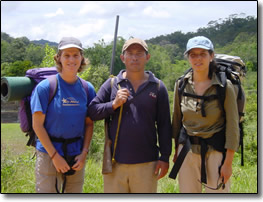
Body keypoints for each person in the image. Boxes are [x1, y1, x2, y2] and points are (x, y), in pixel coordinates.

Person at [88, 38, 172, 193]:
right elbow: (92, 111)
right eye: (130, 53)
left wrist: (165, 157)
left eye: (139, 53)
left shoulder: (158, 87)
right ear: (123, 58)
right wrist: (113, 104)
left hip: (147, 164)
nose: (134, 57)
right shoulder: (112, 84)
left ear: (147, 57)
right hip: (115, 163)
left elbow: (164, 125)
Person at [172, 36, 239, 193]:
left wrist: (228, 163)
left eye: (203, 53)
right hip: (187, 151)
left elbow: (232, 126)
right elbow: (176, 120)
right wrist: (176, 150)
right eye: (193, 54)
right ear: (188, 58)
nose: (198, 58)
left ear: (211, 56)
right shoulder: (181, 84)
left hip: (215, 151)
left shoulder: (223, 86)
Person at [31, 37, 96, 193]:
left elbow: (89, 124)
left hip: (76, 155)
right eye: (67, 55)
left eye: (76, 55)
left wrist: (84, 153)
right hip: (49, 155)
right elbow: (37, 125)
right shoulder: (46, 88)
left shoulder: (87, 89)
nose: (71, 59)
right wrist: (55, 156)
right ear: (59, 58)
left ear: (82, 58)